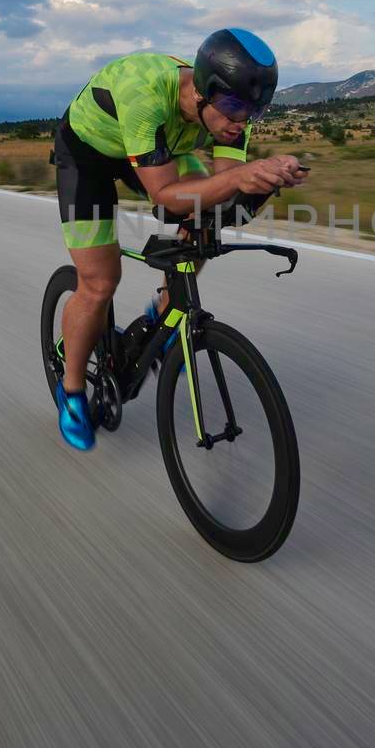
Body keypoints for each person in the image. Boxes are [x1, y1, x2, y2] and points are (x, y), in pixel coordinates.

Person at [51, 28, 307, 451]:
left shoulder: (231, 115)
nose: (239, 122)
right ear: (203, 91)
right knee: (99, 283)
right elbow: (165, 195)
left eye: (254, 113)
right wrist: (241, 176)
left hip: (158, 148)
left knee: (206, 211)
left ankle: (167, 311)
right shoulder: (146, 93)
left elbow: (225, 198)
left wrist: (263, 182)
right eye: (231, 107)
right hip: (89, 154)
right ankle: (73, 391)